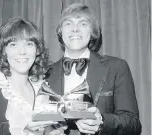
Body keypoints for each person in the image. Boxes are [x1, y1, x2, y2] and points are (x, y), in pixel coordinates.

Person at [46, 3, 142, 135]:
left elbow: (133, 124)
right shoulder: (46, 73)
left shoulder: (116, 67)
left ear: (92, 32)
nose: (75, 29)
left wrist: (102, 121)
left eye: (83, 24)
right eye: (68, 23)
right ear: (60, 31)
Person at [0, 17, 64, 135]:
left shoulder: (42, 88)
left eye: (29, 44)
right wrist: (17, 130)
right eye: (13, 44)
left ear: (37, 50)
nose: (22, 52)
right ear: (3, 50)